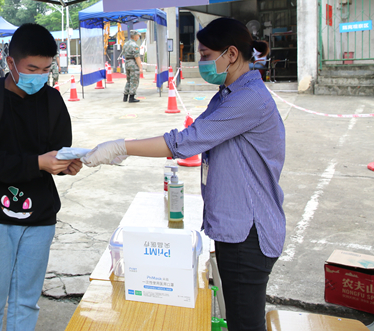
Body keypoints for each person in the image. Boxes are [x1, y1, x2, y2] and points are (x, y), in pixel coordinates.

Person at [82, 17, 285, 331]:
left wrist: (121, 147)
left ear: (231, 54)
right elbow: (191, 133)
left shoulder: (248, 100)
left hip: (249, 232)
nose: (200, 62)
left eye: (205, 55)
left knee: (245, 324)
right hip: (237, 228)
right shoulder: (228, 94)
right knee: (240, 320)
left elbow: (185, 142)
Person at [0, 23, 83, 331]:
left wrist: (67, 164)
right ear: (10, 62)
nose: (39, 76)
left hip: (40, 217)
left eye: (46, 68)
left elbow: (59, 151)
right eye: (32, 67)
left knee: (26, 301)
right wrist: (38, 164)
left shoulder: (53, 101)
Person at [121, 29, 143, 103]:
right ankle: (131, 97)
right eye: (138, 36)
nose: (138, 37)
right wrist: (140, 67)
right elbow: (137, 57)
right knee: (134, 81)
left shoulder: (126, 44)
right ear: (135, 36)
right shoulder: (135, 45)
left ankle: (125, 96)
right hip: (133, 63)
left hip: (127, 63)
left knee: (129, 80)